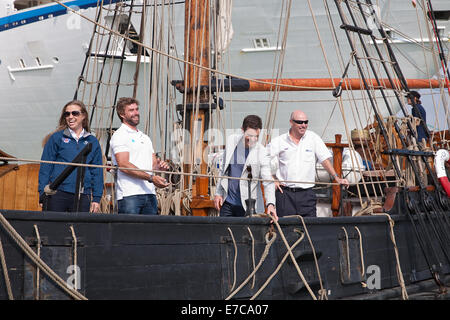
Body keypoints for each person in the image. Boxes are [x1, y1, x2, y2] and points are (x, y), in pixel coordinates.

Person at [267, 110, 349, 218]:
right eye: (300, 122)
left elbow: (324, 159)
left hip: (307, 195)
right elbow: (263, 159)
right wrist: (273, 179)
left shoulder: (313, 138)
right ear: (291, 122)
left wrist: (336, 177)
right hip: (285, 194)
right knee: (286, 230)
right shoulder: (280, 141)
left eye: (306, 122)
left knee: (310, 229)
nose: (303, 125)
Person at [38, 100, 103, 213]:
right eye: (67, 114)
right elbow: (46, 166)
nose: (70, 116)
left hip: (83, 195)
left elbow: (97, 171)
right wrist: (42, 193)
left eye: (75, 113)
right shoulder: (57, 138)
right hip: (57, 193)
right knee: (54, 229)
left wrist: (97, 198)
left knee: (79, 229)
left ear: (83, 116)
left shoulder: (92, 141)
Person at [110, 97, 169, 215]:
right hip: (129, 195)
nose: (136, 113)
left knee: (149, 232)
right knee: (129, 232)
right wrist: (152, 178)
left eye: (137, 109)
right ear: (122, 114)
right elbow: (123, 165)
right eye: (131, 110)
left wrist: (159, 166)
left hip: (149, 193)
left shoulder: (145, 137)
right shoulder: (120, 135)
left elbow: (152, 166)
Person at [214, 115, 277, 220]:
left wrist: (270, 204)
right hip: (227, 203)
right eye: (250, 135)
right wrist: (218, 193)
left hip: (249, 207)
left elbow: (267, 181)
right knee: (223, 235)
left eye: (256, 136)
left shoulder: (262, 152)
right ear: (242, 130)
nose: (253, 139)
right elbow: (223, 170)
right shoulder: (231, 141)